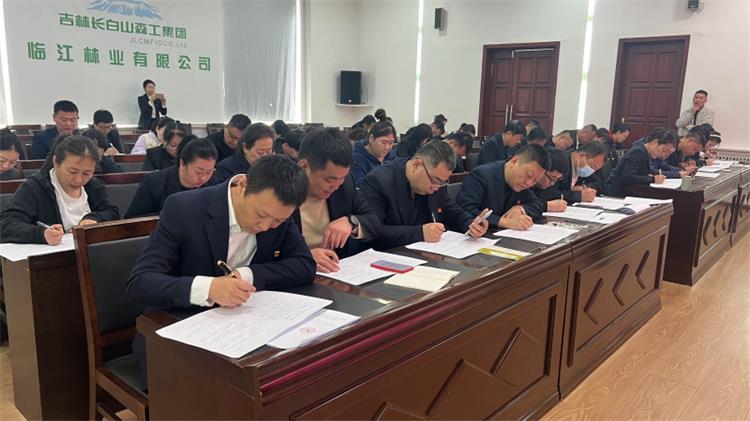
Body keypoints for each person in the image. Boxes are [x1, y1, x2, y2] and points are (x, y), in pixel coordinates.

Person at [126, 154, 314, 386]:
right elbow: (141, 281)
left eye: (277, 222)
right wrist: (209, 289)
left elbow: (305, 265)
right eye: (261, 215)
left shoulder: (280, 211)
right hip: (176, 333)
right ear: (243, 185)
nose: (266, 227)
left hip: (244, 335)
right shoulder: (183, 208)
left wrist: (248, 274)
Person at [360, 141, 489, 250]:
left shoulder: (436, 182)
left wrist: (470, 224)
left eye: (442, 183)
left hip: (426, 252)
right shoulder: (378, 182)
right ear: (417, 165)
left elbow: (450, 209)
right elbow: (373, 231)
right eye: (435, 180)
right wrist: (419, 233)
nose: (436, 187)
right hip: (388, 255)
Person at [0, 135, 120, 244]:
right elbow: (7, 225)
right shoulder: (36, 186)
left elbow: (111, 212)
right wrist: (41, 234)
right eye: (72, 172)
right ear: (56, 162)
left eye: (87, 173)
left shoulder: (93, 185)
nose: (79, 179)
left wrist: (94, 218)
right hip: (52, 256)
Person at [293, 128, 381, 272]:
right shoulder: (280, 193)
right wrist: (304, 257)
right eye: (330, 179)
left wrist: (350, 222)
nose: (336, 186)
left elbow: (374, 221)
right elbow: (267, 254)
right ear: (304, 167)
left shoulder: (344, 186)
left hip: (336, 272)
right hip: (295, 273)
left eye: (342, 178)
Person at [456, 144, 549, 230]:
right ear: (514, 161)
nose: (529, 183)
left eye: (535, 180)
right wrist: (502, 222)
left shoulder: (522, 184)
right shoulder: (481, 175)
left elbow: (537, 204)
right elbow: (465, 210)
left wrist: (520, 208)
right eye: (528, 175)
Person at [126, 137, 217, 218]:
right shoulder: (154, 182)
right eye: (199, 172)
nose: (203, 178)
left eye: (209, 172)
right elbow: (133, 219)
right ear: (182, 164)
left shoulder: (214, 185)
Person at [604, 128, 676, 197]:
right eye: (663, 150)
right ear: (655, 142)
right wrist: (653, 179)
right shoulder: (638, 152)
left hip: (630, 190)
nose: (663, 155)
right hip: (617, 192)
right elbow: (628, 177)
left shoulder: (645, 152)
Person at [540, 141, 608, 209]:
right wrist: (577, 196)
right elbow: (548, 193)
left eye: (595, 169)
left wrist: (584, 187)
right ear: (582, 156)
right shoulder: (561, 161)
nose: (592, 171)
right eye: (593, 167)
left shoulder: (581, 167)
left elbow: (598, 183)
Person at [352, 121, 398, 186]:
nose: (387, 147)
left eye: (391, 143)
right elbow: (360, 185)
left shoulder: (391, 155)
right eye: (384, 143)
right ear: (371, 138)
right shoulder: (357, 158)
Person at [532, 148, 569, 212]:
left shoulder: (542, 187)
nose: (552, 183)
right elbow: (523, 205)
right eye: (552, 178)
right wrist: (547, 206)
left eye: (557, 179)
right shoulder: (525, 183)